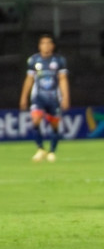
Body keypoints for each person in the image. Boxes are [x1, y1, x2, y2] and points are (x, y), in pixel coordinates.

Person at [19, 34, 70, 162]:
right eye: (43, 43)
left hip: (54, 98)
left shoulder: (59, 60)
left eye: (48, 43)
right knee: (35, 120)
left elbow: (63, 79)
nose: (46, 46)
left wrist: (65, 97)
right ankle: (40, 149)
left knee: (54, 125)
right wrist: (24, 97)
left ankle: (52, 151)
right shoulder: (33, 60)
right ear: (39, 46)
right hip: (38, 97)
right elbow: (29, 79)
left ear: (52, 46)